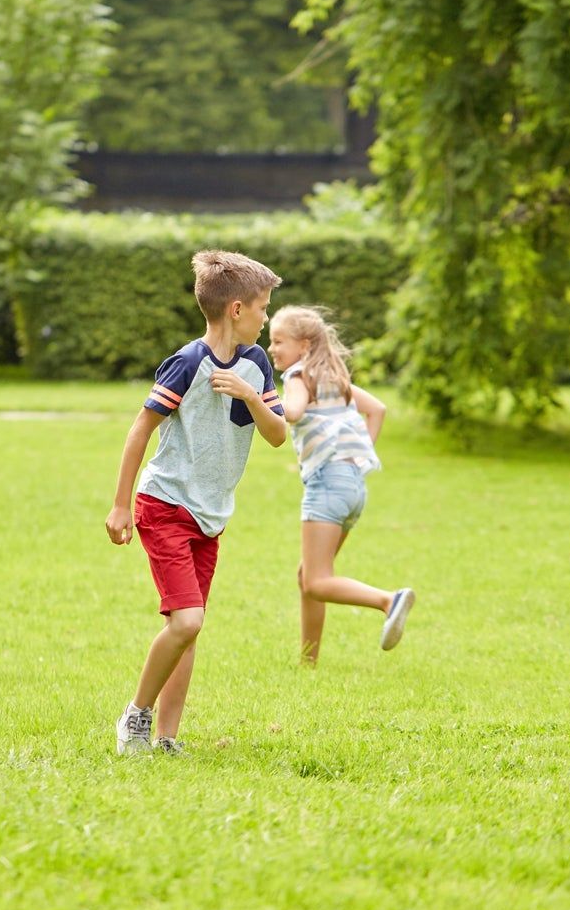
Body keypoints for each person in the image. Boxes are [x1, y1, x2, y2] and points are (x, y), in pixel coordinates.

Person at [106, 250, 287, 755]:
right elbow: (140, 429)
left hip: (210, 516)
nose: (266, 317)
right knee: (187, 620)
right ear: (236, 309)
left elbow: (277, 436)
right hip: (165, 504)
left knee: (185, 629)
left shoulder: (255, 363)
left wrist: (250, 395)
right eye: (263, 307)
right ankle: (135, 719)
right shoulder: (187, 363)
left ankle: (166, 739)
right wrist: (120, 507)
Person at [267, 305, 413, 664]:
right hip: (352, 486)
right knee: (309, 575)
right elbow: (376, 409)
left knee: (317, 581)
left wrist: (257, 398)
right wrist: (358, 460)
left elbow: (294, 412)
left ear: (303, 346)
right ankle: (308, 661)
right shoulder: (334, 376)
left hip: (327, 485)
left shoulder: (299, 376)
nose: (271, 349)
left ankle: (388, 600)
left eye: (278, 341)